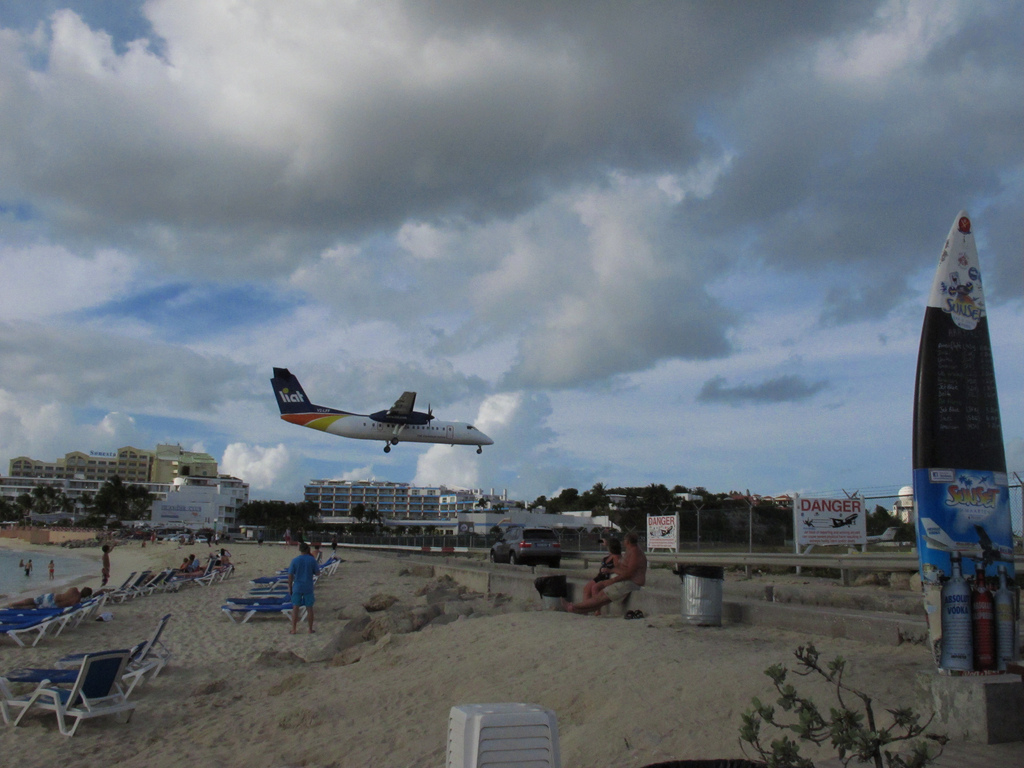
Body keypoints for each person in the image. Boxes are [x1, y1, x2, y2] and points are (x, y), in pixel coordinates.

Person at [565, 531, 647, 615]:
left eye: (624, 540)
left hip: (630, 582)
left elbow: (629, 573)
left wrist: (613, 580)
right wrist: (612, 572)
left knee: (600, 598)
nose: (623, 542)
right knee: (600, 598)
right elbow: (623, 570)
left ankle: (573, 606)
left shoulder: (635, 552)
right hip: (625, 580)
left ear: (628, 541)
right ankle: (576, 609)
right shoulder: (631, 550)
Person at [287, 542, 320, 634]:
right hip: (308, 586)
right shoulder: (312, 560)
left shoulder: (295, 560)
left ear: (300, 550)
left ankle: (294, 629)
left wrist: (290, 587)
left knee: (295, 608)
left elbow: (290, 575)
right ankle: (310, 629)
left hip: (297, 586)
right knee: (309, 608)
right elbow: (317, 573)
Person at [582, 538, 622, 604]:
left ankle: (596, 610)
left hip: (606, 577)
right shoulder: (611, 555)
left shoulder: (616, 557)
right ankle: (586, 609)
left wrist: (609, 570)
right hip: (601, 576)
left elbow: (619, 570)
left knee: (592, 589)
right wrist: (604, 542)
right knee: (586, 589)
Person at [8, 586, 94, 610]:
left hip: (52, 597)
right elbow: (64, 605)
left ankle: (14, 604)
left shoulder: (74, 589)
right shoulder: (76, 601)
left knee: (34, 600)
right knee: (35, 607)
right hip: (53, 605)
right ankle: (16, 608)